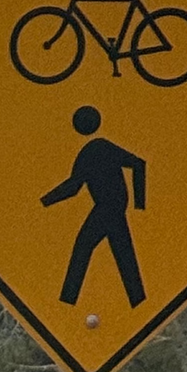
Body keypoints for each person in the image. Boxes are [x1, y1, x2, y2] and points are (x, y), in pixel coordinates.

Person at [41, 105, 147, 308]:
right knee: (123, 253)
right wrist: (45, 201)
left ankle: (68, 300)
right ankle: (138, 300)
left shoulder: (95, 149)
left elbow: (138, 164)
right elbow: (74, 187)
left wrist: (139, 205)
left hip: (108, 207)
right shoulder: (94, 149)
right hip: (112, 207)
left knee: (84, 247)